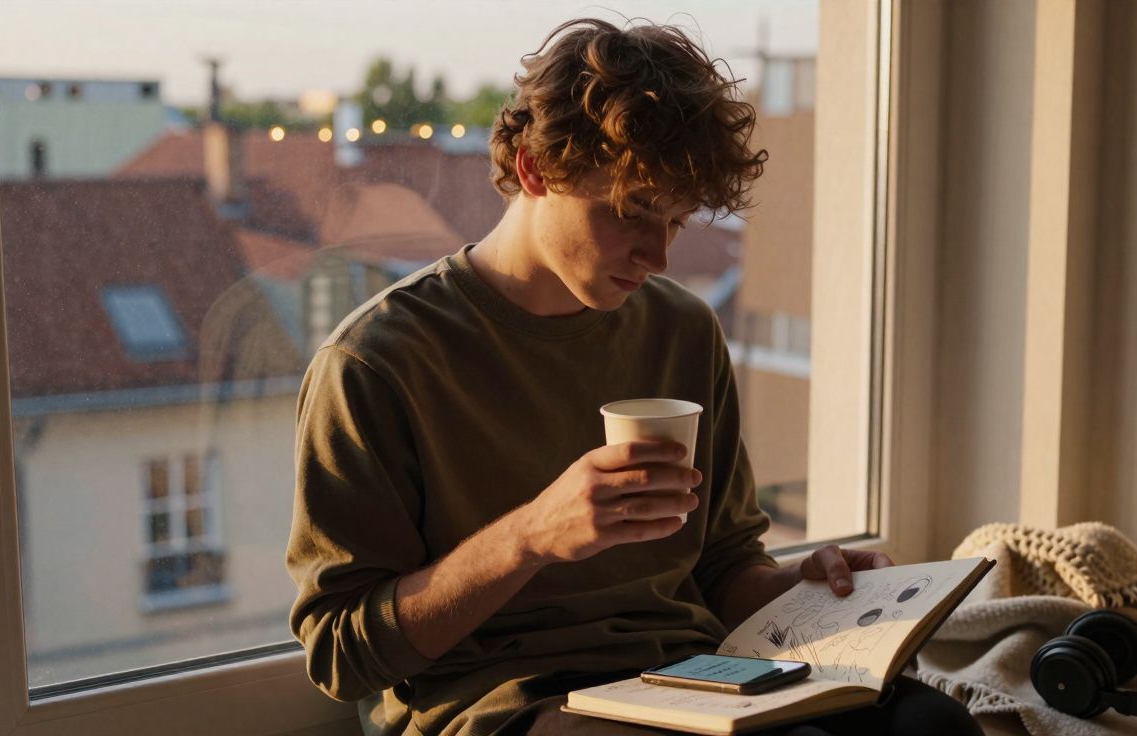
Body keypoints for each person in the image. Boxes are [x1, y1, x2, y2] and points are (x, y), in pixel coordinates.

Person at [286, 17, 983, 736]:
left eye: (677, 221)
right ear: (534, 169)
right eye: (631, 210)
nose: (657, 254)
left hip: (693, 674)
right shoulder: (378, 360)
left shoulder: (681, 329)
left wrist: (811, 595)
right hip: (512, 701)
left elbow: (721, 565)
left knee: (934, 727)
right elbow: (342, 655)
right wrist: (530, 536)